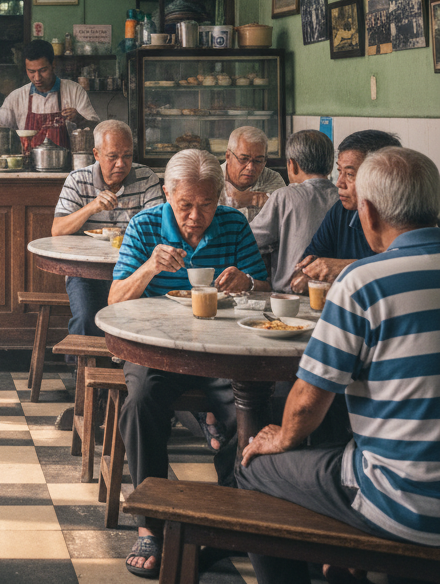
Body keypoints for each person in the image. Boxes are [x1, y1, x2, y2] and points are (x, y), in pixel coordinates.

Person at [238, 147, 440, 584]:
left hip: (407, 504)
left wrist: (281, 436)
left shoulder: (364, 281)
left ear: (367, 212)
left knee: (254, 466)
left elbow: (309, 401)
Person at [110, 149, 269, 578]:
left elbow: (264, 287)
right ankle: (150, 525)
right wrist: (148, 267)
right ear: (167, 193)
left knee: (252, 405)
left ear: (220, 197)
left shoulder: (234, 224)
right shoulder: (145, 225)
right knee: (141, 402)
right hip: (156, 347)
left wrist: (247, 281)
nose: (196, 216)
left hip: (220, 347)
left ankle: (229, 519)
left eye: (206, 204)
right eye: (185, 205)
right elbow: (114, 300)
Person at [52, 120, 163, 337]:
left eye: (128, 156)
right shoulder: (77, 180)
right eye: (113, 157)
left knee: (142, 321)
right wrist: (91, 208)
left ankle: (123, 368)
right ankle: (83, 370)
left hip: (133, 269)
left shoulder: (146, 178)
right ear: (96, 154)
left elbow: (157, 229)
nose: (121, 164)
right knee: (86, 319)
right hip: (85, 271)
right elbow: (57, 229)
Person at [291, 129, 401, 293]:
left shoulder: (405, 217)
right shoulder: (341, 212)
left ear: (382, 175)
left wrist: (345, 268)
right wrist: (309, 273)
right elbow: (304, 270)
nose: (339, 183)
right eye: (339, 171)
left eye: (350, 174)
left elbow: (403, 269)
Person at [250, 129, 338, 293]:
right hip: (332, 294)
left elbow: (250, 240)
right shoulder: (342, 198)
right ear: (331, 165)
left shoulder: (284, 196)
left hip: (290, 295)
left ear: (293, 165)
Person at [0, 38, 98, 150]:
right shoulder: (17, 97)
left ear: (53, 65)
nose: (37, 78)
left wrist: (80, 120)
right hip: (28, 165)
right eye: (31, 71)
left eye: (43, 70)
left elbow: (97, 130)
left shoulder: (74, 91)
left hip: (66, 164)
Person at [220, 126, 285, 222]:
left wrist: (248, 199)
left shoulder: (272, 179)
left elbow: (284, 215)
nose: (250, 167)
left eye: (258, 161)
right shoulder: (210, 179)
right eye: (243, 159)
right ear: (228, 156)